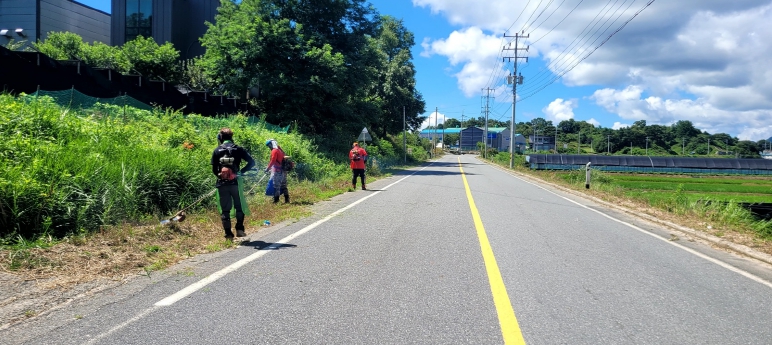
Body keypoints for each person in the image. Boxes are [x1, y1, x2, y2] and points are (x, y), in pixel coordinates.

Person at [211, 128, 255, 239]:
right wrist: (240, 172)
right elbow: (251, 162)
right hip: (236, 182)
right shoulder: (238, 149)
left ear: (220, 137)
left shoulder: (217, 150)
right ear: (231, 137)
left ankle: (228, 234)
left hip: (222, 184)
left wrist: (221, 176)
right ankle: (239, 229)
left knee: (225, 209)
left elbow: (214, 170)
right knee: (239, 206)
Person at [265, 139, 290, 204]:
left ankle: (276, 201)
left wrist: (267, 168)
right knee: (284, 185)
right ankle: (287, 200)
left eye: (269, 145)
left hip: (278, 171)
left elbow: (273, 160)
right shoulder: (279, 150)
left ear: (272, 144)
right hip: (283, 170)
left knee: (276, 186)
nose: (269, 147)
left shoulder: (274, 151)